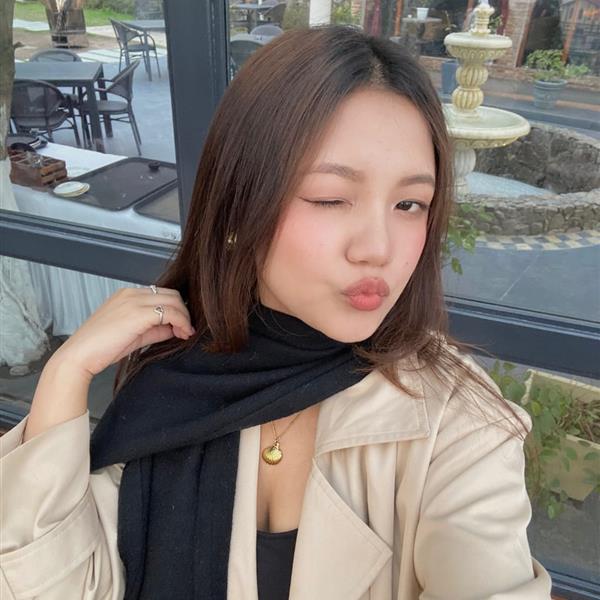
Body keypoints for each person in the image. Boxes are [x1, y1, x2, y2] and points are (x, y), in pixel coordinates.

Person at [0, 25, 553, 600]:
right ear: (240, 205)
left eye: (410, 204)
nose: (378, 248)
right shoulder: (177, 377)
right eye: (330, 198)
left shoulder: (459, 427)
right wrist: (65, 375)